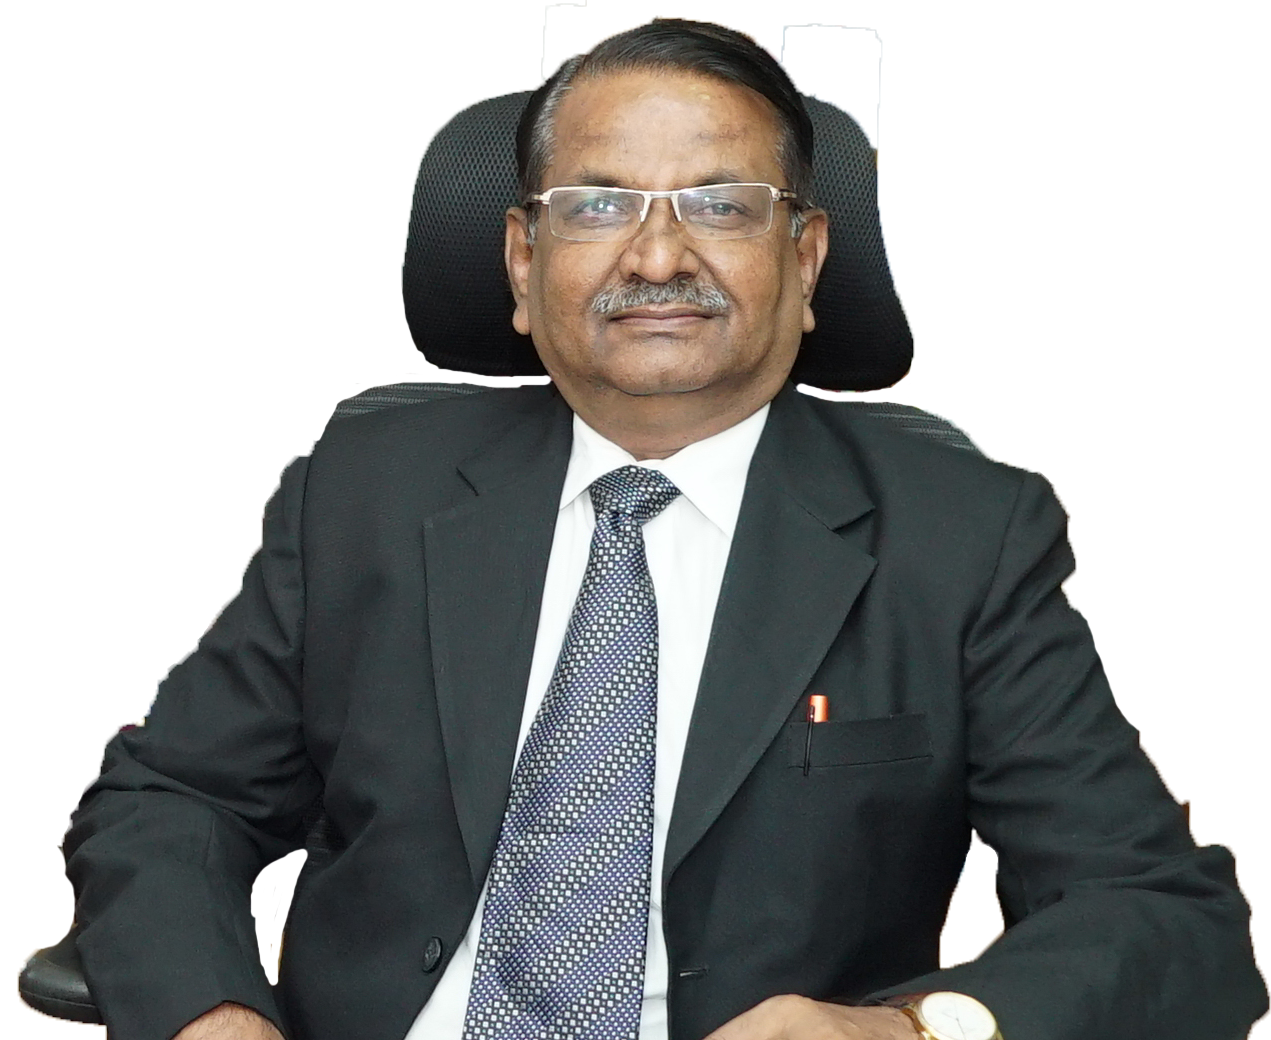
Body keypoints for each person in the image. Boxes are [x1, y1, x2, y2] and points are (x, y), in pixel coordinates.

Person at [60, 17, 1267, 1040]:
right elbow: (170, 796)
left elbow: (1168, 917)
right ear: (521, 261)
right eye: (596, 205)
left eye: (720, 205)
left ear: (805, 259)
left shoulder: (958, 538)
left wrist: (908, 1029)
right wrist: (210, 1015)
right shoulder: (368, 486)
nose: (654, 253)